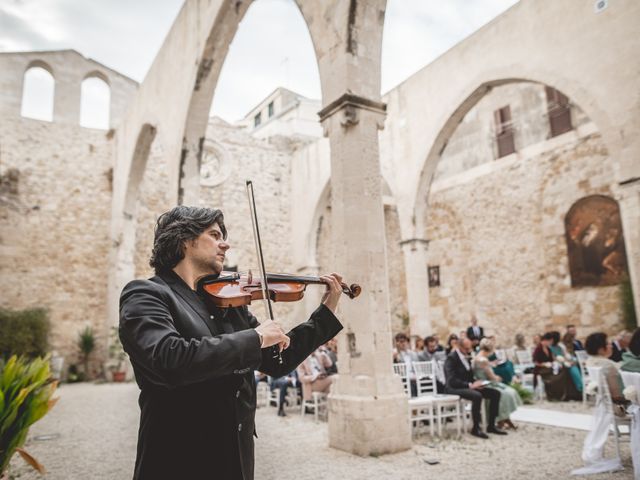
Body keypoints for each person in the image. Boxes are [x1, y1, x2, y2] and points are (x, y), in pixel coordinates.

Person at [119, 206, 344, 480]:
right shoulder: (147, 294)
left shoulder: (228, 303)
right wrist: (257, 336)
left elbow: (276, 360)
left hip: (235, 456)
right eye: (214, 235)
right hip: (180, 457)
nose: (225, 243)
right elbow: (168, 359)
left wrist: (325, 315)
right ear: (184, 240)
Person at [444, 338, 506, 439]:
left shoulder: (467, 356)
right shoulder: (451, 358)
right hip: (453, 388)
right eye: (466, 348)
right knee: (477, 396)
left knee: (495, 393)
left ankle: (491, 425)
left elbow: (469, 376)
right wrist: (469, 385)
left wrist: (477, 383)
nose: (469, 350)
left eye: (470, 348)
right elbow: (451, 380)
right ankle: (475, 428)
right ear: (460, 347)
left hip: (467, 386)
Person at [473, 339, 522, 430]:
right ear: (491, 349)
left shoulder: (478, 357)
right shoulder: (484, 360)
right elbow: (491, 377)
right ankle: (502, 419)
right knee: (507, 393)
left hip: (482, 382)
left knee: (507, 392)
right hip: (486, 384)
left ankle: (505, 419)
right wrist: (498, 378)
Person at [533, 332, 581, 401]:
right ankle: (556, 394)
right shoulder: (538, 349)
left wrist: (556, 362)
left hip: (550, 368)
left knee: (564, 371)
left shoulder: (548, 349)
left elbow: (553, 359)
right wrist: (544, 364)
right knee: (561, 374)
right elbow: (536, 362)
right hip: (541, 369)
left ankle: (568, 394)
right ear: (546, 340)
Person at [585, 333, 627, 411]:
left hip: (605, 402)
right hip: (619, 403)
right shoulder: (607, 365)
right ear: (600, 349)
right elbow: (617, 393)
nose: (611, 346)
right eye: (608, 344)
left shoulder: (590, 360)